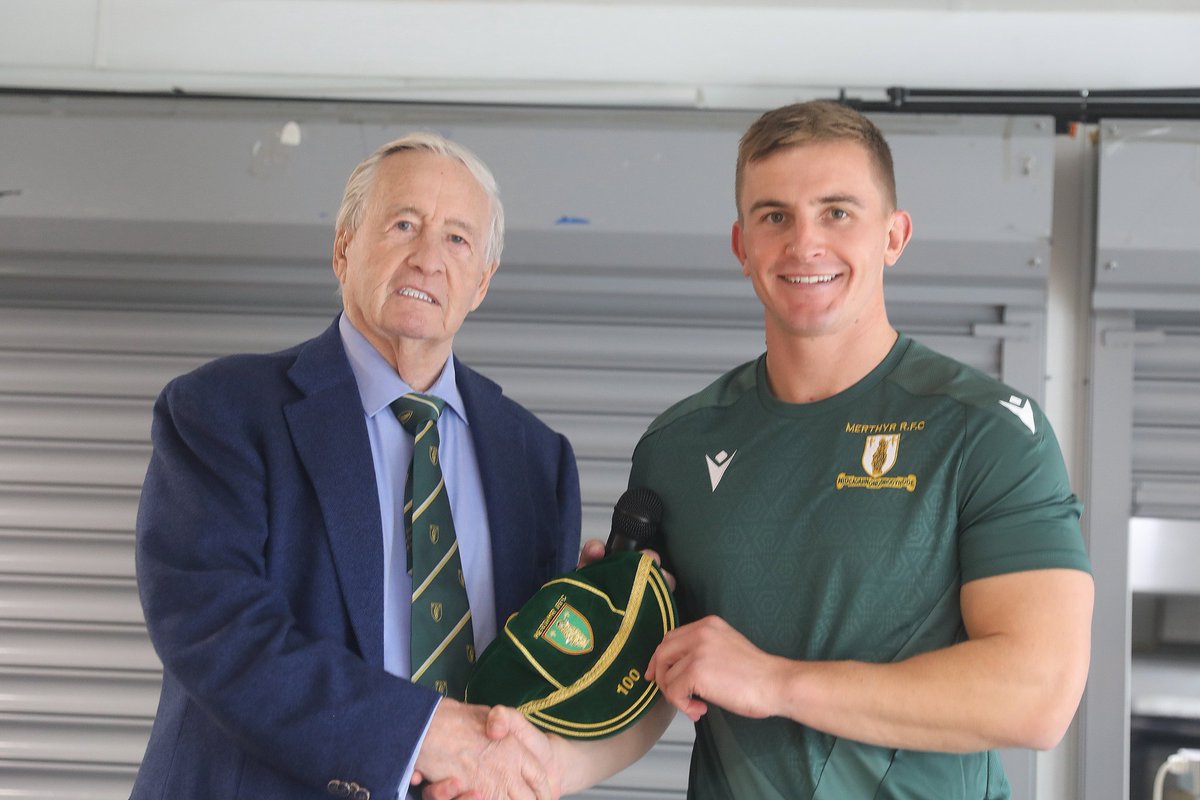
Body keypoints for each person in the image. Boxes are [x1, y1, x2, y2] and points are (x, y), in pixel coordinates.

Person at [624, 101, 1094, 799]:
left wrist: (777, 684)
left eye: (838, 212)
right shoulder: (676, 446)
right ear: (741, 244)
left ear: (894, 236)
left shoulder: (987, 431)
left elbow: (1037, 695)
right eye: (774, 215)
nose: (804, 243)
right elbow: (646, 682)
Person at [132, 132, 583, 800]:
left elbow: (539, 681)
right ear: (343, 247)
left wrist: (616, 611)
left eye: (458, 239)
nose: (428, 259)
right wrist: (423, 734)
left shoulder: (537, 460)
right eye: (404, 225)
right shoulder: (221, 411)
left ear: (482, 283)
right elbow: (217, 631)